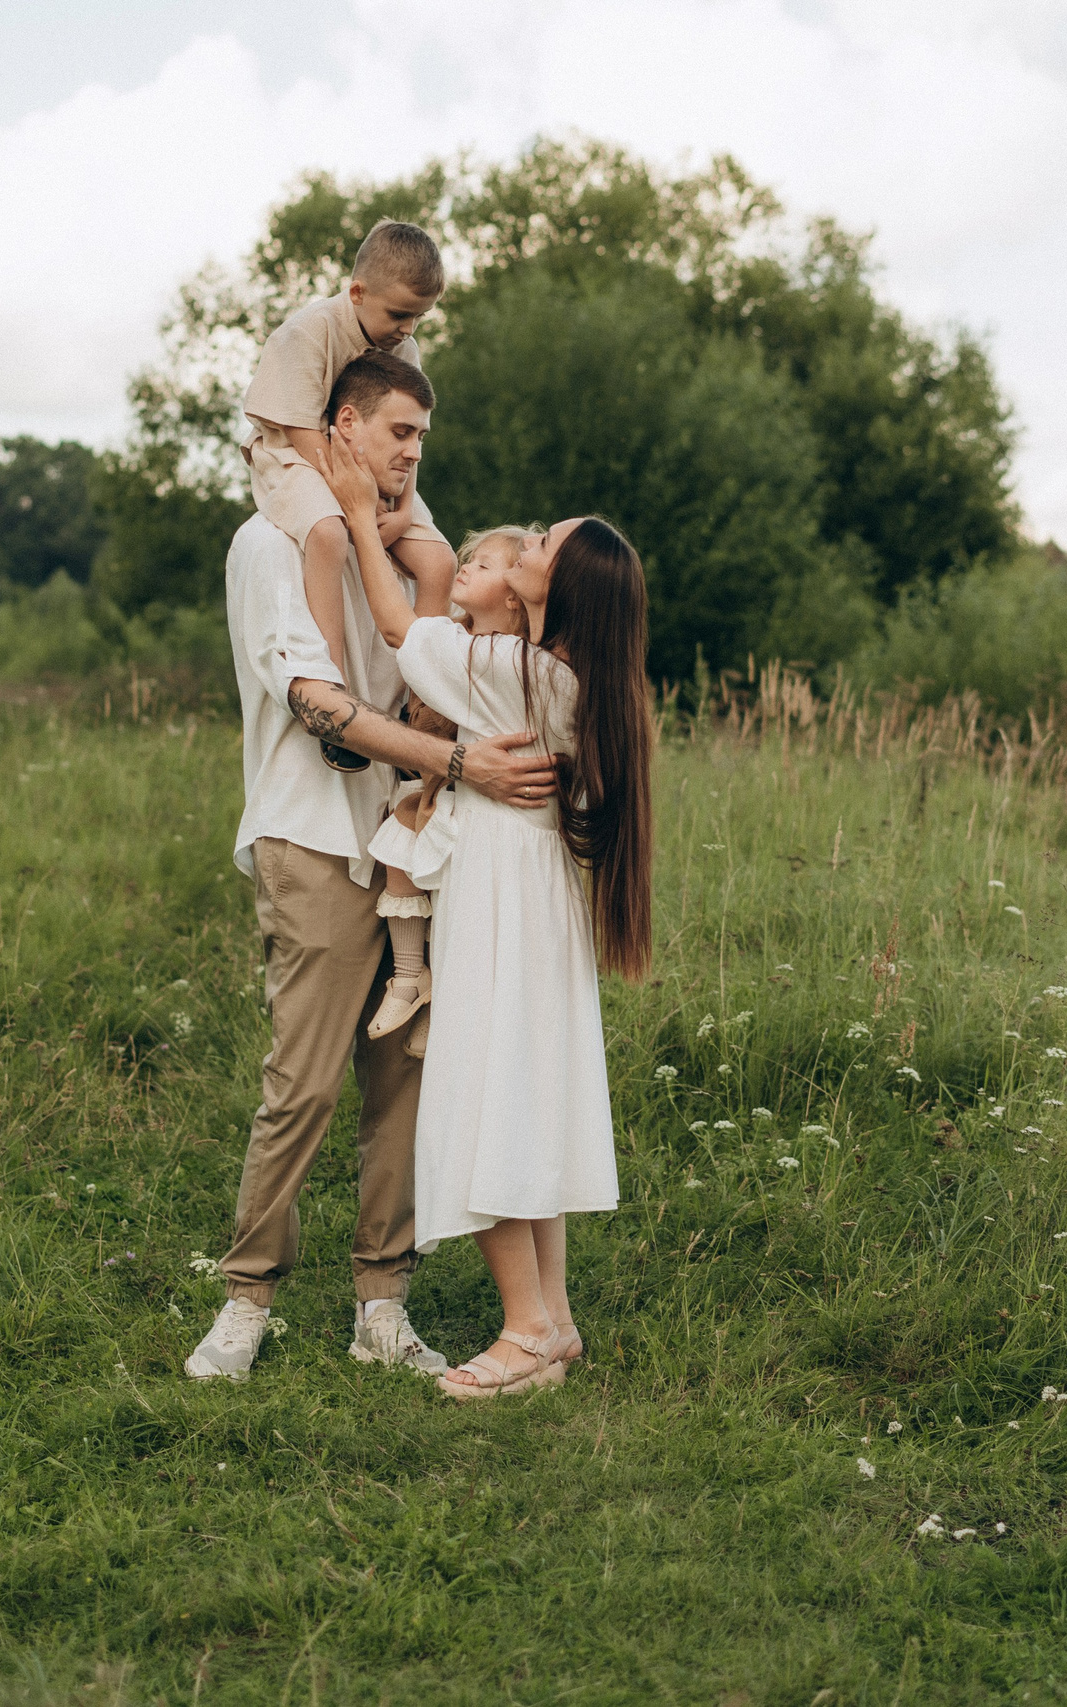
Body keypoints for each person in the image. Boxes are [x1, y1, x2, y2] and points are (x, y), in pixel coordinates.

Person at [187, 345, 557, 1385]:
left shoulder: (410, 547)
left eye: (421, 440)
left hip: (422, 849)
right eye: (397, 432)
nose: (410, 456)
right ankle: (246, 1300)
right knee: (301, 1085)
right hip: (310, 837)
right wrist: (456, 759)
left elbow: (450, 660)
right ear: (341, 429)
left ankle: (380, 1307)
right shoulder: (273, 543)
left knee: (403, 1088)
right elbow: (323, 711)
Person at [313, 432, 656, 1401]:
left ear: (562, 585)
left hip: (504, 897)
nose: (529, 540)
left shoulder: (517, 672)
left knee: (487, 1094)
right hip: (533, 894)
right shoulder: (563, 679)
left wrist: (352, 511)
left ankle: (523, 1330)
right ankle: (553, 1321)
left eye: (544, 541)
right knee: (526, 1096)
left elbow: (397, 629)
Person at [241, 218, 456, 761]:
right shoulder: (308, 331)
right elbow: (298, 429)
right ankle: (334, 690)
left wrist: (402, 510)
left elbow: (411, 440)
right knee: (329, 536)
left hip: (373, 470)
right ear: (358, 292)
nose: (407, 329)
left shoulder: (403, 350)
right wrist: (355, 502)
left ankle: (423, 708)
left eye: (419, 317)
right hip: (297, 457)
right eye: (399, 313)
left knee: (438, 565)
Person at [360, 525, 543, 1055]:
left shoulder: (501, 656)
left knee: (441, 897)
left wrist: (357, 512)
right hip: (451, 792)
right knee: (407, 859)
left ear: (513, 596)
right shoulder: (467, 640)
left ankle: (423, 984)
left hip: (474, 807)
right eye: (471, 559)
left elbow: (402, 631)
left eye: (484, 566)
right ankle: (414, 979)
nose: (467, 567)